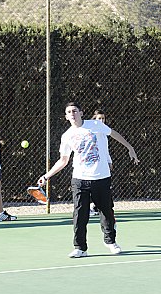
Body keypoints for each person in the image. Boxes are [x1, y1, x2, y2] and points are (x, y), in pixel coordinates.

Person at [37, 102, 139, 258]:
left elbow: (113, 133)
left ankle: (110, 242)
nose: (72, 113)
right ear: (66, 116)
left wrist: (129, 147)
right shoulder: (67, 136)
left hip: (102, 177)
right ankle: (80, 248)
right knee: (80, 214)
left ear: (81, 112)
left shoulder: (96, 125)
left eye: (75, 111)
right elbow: (63, 160)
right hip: (79, 179)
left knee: (106, 211)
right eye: (69, 112)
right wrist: (46, 176)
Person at [89, 109, 112, 216]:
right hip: (91, 165)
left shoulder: (104, 133)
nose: (101, 120)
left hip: (102, 166)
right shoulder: (90, 131)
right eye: (99, 118)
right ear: (94, 119)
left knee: (102, 188)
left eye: (103, 118)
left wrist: (109, 161)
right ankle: (90, 207)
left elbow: (105, 150)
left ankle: (97, 207)